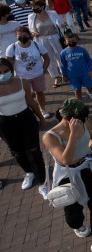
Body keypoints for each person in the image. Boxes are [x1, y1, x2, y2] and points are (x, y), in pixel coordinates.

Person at [42, 98, 92, 252]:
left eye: (84, 119)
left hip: (88, 168)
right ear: (67, 118)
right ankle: (77, 225)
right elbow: (65, 159)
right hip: (68, 175)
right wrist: (73, 135)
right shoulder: (50, 136)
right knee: (74, 212)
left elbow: (91, 139)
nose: (84, 122)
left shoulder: (85, 122)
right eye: (80, 119)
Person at [0, 57, 48, 198]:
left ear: (12, 70)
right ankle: (29, 172)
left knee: (34, 151)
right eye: (0, 72)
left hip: (25, 119)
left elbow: (31, 101)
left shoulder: (22, 82)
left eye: (6, 71)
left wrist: (41, 118)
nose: (3, 74)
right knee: (17, 152)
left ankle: (42, 183)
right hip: (5, 123)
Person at [6, 25, 51, 119]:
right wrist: (12, 78)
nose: (22, 37)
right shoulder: (12, 48)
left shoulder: (37, 45)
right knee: (27, 97)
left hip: (38, 75)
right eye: (19, 36)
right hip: (22, 78)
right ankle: (31, 113)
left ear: (29, 35)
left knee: (39, 93)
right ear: (16, 36)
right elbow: (10, 65)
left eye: (25, 35)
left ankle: (42, 109)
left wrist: (43, 70)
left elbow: (46, 58)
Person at [28, 0, 64, 88]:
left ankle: (64, 73)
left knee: (60, 56)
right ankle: (56, 77)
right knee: (48, 59)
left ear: (42, 7)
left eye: (36, 7)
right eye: (32, 7)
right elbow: (31, 29)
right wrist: (33, 33)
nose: (34, 9)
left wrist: (61, 25)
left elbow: (60, 24)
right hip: (41, 40)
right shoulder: (31, 17)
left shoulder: (52, 13)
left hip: (55, 37)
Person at [60, 31, 92, 102]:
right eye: (69, 41)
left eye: (73, 40)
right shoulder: (63, 53)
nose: (71, 42)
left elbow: (89, 60)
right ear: (65, 42)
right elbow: (63, 65)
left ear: (76, 40)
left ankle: (90, 92)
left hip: (84, 73)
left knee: (89, 86)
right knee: (77, 89)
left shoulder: (82, 49)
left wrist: (90, 70)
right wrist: (64, 75)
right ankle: (80, 103)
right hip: (72, 75)